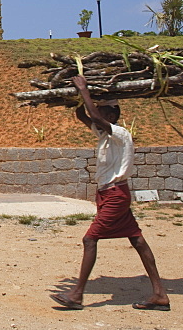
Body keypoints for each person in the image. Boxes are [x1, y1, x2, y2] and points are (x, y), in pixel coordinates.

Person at [50, 75, 171, 312]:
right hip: (108, 194)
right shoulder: (105, 136)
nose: (99, 114)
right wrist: (77, 98)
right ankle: (160, 294)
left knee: (89, 239)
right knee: (136, 239)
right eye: (100, 109)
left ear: (113, 116)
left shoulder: (121, 134)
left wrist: (84, 89)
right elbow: (83, 116)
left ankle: (76, 294)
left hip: (116, 195)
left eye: (103, 111)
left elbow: (93, 115)